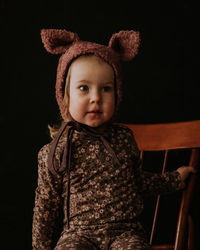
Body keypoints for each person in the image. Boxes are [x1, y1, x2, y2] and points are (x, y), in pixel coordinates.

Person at [32, 29, 196, 250]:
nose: (96, 97)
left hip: (125, 232)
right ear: (64, 95)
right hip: (79, 234)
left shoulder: (123, 139)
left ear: (117, 94)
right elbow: (46, 206)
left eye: (106, 89)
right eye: (83, 88)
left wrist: (175, 179)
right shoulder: (56, 151)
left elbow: (138, 183)